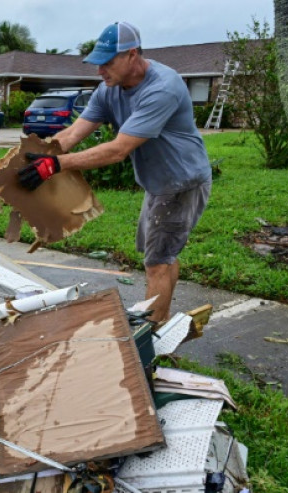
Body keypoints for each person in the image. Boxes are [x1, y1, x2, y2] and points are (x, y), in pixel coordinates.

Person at [18, 21, 212, 326]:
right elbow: (72, 135)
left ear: (132, 55)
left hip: (181, 183)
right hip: (159, 184)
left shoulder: (162, 87)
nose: (99, 71)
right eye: (97, 63)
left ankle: (153, 336)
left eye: (107, 63)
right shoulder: (109, 90)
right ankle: (161, 320)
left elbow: (118, 150)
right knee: (163, 255)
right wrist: (41, 157)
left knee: (157, 263)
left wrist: (56, 166)